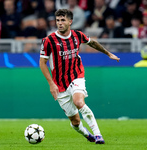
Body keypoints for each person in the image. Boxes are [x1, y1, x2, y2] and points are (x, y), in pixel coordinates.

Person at [39, 9, 120, 144]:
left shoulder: (77, 35)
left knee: (79, 102)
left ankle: (98, 135)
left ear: (70, 21)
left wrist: (108, 53)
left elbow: (92, 42)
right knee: (75, 121)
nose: (60, 23)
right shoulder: (49, 41)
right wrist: (51, 84)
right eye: (58, 20)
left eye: (63, 20)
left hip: (76, 75)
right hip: (59, 84)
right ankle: (87, 134)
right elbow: (42, 63)